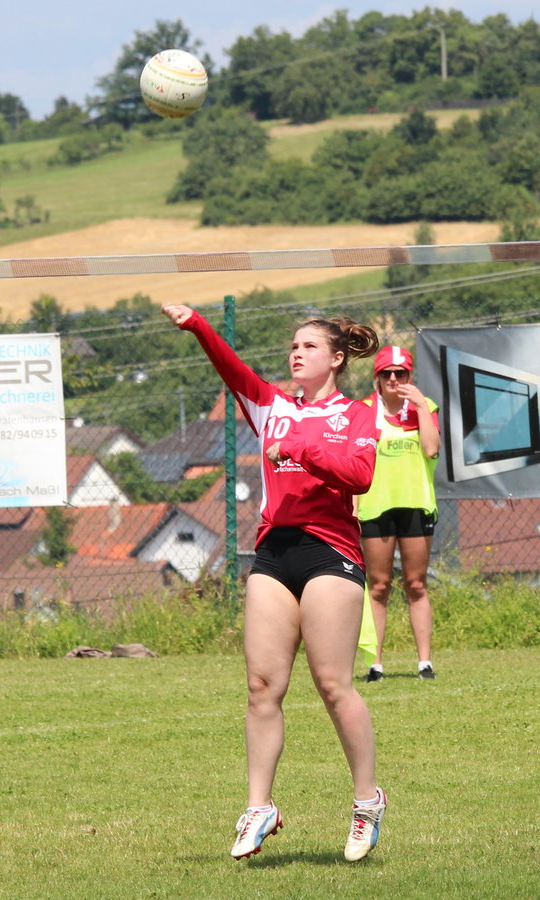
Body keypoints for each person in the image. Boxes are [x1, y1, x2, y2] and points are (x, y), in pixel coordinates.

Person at [162, 303, 387, 862]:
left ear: (336, 359)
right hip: (273, 551)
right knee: (262, 687)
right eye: (292, 345)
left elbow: (360, 474)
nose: (296, 353)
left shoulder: (356, 415)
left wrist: (304, 449)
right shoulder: (271, 406)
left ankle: (367, 803)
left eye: (308, 347)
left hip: (329, 549)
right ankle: (259, 807)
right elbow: (229, 368)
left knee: (333, 685)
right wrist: (196, 324)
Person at [357, 346, 440, 681]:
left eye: (400, 373)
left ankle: (424, 663)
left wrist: (420, 404)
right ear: (376, 377)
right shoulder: (362, 411)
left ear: (410, 376)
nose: (393, 379)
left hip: (416, 503)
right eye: (386, 373)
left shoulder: (426, 407)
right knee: (378, 585)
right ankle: (375, 665)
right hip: (374, 506)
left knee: (416, 584)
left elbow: (431, 449)